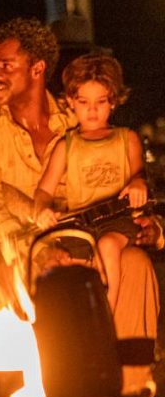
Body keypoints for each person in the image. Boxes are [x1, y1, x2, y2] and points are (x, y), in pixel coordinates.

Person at [0, 18, 162, 397]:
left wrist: (148, 225)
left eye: (6, 64)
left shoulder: (81, 117)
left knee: (136, 262)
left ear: (37, 69)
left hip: (91, 238)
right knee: (55, 276)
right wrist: (38, 244)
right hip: (17, 249)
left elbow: (123, 182)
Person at [34, 54, 147, 311]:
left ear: (114, 102)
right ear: (71, 102)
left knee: (107, 245)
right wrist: (41, 210)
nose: (92, 110)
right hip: (81, 224)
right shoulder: (67, 146)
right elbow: (43, 190)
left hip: (117, 220)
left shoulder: (126, 139)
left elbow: (139, 175)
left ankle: (108, 313)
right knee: (65, 267)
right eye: (84, 101)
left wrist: (138, 185)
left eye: (101, 102)